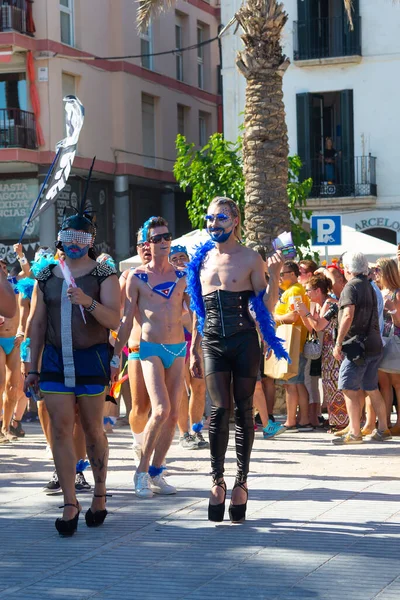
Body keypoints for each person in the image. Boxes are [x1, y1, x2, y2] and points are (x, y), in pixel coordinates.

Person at [24, 184, 120, 536]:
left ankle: (99, 493)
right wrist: (31, 367)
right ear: (61, 237)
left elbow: (114, 320)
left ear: (91, 238)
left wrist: (88, 302)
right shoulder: (46, 274)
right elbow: (36, 322)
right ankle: (69, 501)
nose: (73, 241)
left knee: (93, 429)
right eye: (68, 234)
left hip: (90, 359)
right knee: (61, 429)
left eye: (81, 235)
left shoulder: (104, 274)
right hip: (52, 360)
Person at [188, 196, 287, 523]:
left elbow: (266, 307)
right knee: (219, 408)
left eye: (220, 218)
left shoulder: (250, 258)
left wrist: (272, 276)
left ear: (235, 221)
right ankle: (217, 481)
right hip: (213, 341)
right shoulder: (201, 260)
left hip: (245, 340)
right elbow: (198, 311)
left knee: (244, 408)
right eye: (209, 218)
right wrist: (194, 347)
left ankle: (241, 483)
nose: (213, 224)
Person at [112, 216, 189, 499]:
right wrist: (112, 356)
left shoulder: (182, 275)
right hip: (148, 348)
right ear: (147, 243)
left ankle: (157, 471)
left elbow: (194, 316)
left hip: (178, 348)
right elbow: (125, 317)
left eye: (167, 237)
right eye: (157, 239)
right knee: (159, 410)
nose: (164, 242)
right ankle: (140, 471)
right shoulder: (137, 277)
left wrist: (201, 347)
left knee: (173, 415)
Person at [332, 252, 390, 445]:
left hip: (358, 347)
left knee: (348, 387)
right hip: (374, 344)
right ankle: (383, 428)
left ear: (347, 269)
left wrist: (338, 343)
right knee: (371, 388)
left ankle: (355, 433)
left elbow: (348, 315)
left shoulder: (351, 287)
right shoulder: (370, 286)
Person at [296, 274, 349, 432]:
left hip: (336, 348)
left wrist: (305, 312)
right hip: (327, 350)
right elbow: (311, 327)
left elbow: (319, 326)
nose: (306, 293)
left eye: (308, 290)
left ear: (318, 290)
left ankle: (343, 422)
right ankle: (336, 420)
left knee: (336, 384)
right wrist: (303, 313)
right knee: (328, 385)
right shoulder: (317, 305)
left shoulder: (330, 304)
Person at [169, 244, 208, 450]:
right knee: (181, 388)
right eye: (173, 258)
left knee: (199, 386)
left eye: (182, 257)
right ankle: (183, 433)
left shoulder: (196, 282)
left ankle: (196, 429)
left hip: (198, 337)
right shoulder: (168, 283)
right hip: (178, 338)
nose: (178, 261)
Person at [122, 228, 152, 462]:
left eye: (151, 242)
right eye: (142, 244)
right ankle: (138, 443)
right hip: (137, 347)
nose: (147, 247)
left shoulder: (171, 275)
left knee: (164, 410)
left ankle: (155, 461)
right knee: (141, 407)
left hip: (167, 347)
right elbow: (119, 313)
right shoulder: (128, 276)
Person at [273, 260, 312, 432]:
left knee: (291, 383)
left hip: (293, 342)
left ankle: (292, 421)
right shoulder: (290, 291)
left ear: (293, 274)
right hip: (292, 342)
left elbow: (294, 316)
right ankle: (303, 420)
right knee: (297, 382)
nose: (279, 277)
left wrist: (273, 317)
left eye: (282, 273)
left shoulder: (295, 291)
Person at [0, 259, 24, 443]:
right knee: (0, 384)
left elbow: (28, 272)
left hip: (15, 340)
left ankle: (6, 428)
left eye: (4, 266)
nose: (2, 268)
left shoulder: (14, 284)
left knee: (13, 388)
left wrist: (21, 256)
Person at [376, 258, 400, 433]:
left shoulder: (397, 293)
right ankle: (385, 423)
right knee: (383, 383)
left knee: (397, 384)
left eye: (378, 270)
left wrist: (392, 310)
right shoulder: (380, 291)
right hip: (381, 341)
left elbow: (399, 322)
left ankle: (399, 423)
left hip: (394, 340)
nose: (376, 274)